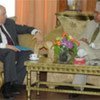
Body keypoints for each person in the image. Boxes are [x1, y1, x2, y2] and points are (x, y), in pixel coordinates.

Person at [0, 5, 43, 99]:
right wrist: (6, 46)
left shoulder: (9, 23)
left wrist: (36, 32)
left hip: (11, 50)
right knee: (10, 52)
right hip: (2, 50)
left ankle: (14, 84)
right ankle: (7, 88)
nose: (6, 16)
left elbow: (24, 28)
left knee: (28, 53)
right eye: (3, 14)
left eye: (5, 13)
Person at [72, 1, 100, 91]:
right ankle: (93, 60)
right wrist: (83, 40)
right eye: (94, 12)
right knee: (81, 45)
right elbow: (81, 38)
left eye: (97, 13)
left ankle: (76, 88)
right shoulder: (91, 23)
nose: (94, 15)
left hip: (98, 51)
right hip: (88, 52)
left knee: (83, 58)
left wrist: (91, 44)